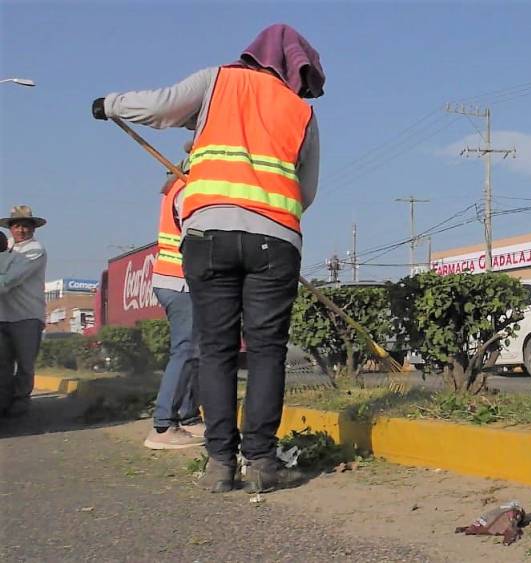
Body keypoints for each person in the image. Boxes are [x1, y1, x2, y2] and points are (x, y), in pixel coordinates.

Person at [93, 24, 323, 493]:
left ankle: (220, 463)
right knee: (265, 351)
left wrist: (110, 104)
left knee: (215, 350)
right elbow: (308, 192)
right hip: (275, 240)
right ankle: (260, 460)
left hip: (209, 235)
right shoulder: (301, 112)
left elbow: (159, 107)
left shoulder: (217, 80)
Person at [144, 148, 205, 450]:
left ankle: (189, 417)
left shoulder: (178, 186)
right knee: (186, 350)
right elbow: (197, 238)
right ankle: (163, 424)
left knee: (195, 351)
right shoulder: (189, 189)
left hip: (175, 280)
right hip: (180, 281)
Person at [0, 206, 48, 417]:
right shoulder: (6, 248)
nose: (21, 230)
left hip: (27, 315)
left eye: (26, 226)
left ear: (33, 229)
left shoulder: (35, 250)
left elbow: (9, 280)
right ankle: (5, 401)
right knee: (3, 363)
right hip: (3, 316)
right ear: (11, 228)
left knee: (25, 363)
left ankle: (21, 401)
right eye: (17, 225)